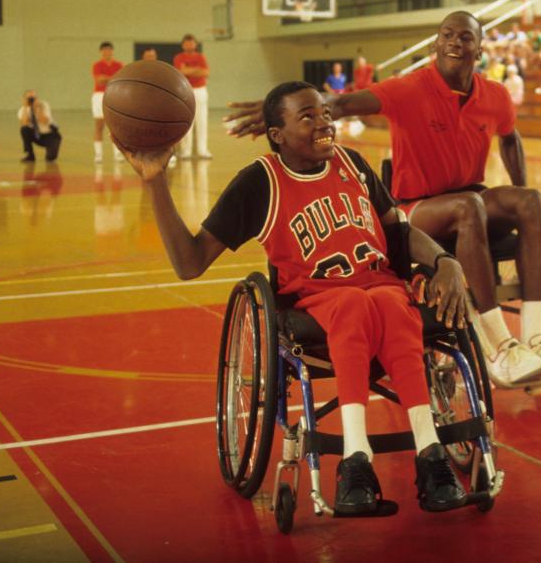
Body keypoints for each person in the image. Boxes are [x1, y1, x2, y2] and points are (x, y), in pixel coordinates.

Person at [115, 81, 468, 515]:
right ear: (277, 134)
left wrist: (444, 261)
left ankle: (430, 455)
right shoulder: (259, 183)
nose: (324, 122)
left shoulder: (352, 163)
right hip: (320, 298)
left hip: (381, 286)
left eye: (324, 112)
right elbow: (190, 263)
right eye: (308, 117)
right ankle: (356, 460)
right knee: (357, 306)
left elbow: (399, 229)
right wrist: (156, 182)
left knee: (394, 305)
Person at [225, 11, 541, 388]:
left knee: (528, 200)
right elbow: (343, 103)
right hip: (416, 208)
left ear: (479, 49)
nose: (454, 42)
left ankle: (534, 341)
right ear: (436, 44)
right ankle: (500, 346)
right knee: (470, 207)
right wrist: (279, 112)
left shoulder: (494, 95)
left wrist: (518, 190)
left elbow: (510, 138)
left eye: (465, 37)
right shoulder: (410, 88)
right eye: (446, 34)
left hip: (469, 198)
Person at [174, 34, 212, 161]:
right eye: (187, 43)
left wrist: (189, 70)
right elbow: (181, 72)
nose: (190, 45)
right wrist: (196, 70)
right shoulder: (179, 57)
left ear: (195, 44)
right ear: (183, 45)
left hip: (200, 90)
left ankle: (202, 150)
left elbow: (206, 73)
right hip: (186, 90)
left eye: (192, 43)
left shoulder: (201, 57)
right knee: (186, 121)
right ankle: (185, 151)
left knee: (201, 120)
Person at [92, 41, 124, 164]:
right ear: (101, 52)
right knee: (99, 125)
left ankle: (117, 154)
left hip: (115, 95)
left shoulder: (119, 65)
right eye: (104, 50)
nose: (107, 52)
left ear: (112, 51)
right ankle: (98, 155)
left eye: (109, 50)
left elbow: (121, 80)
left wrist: (107, 78)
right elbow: (99, 81)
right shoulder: (97, 65)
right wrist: (113, 78)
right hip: (99, 95)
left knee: (115, 126)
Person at [18, 90, 61, 162]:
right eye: (29, 98)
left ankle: (50, 152)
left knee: (50, 159)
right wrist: (25, 107)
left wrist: (37, 109)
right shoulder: (23, 109)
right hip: (37, 136)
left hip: (51, 135)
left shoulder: (44, 105)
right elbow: (24, 123)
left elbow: (45, 121)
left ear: (37, 98)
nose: (31, 100)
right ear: (24, 99)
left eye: (33, 98)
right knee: (24, 129)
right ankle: (30, 155)